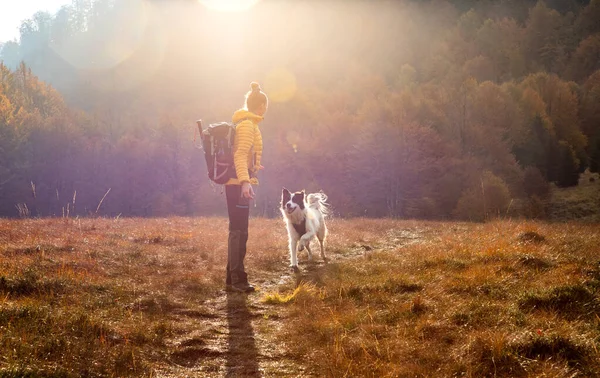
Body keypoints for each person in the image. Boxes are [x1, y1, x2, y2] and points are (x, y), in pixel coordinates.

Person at [225, 82, 267, 293]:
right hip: (237, 185)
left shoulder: (247, 124)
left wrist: (254, 166)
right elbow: (239, 155)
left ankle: (232, 279)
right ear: (260, 106)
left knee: (239, 230)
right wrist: (244, 183)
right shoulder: (248, 125)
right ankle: (238, 280)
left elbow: (245, 155)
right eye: (265, 106)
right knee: (238, 231)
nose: (265, 110)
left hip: (238, 182)